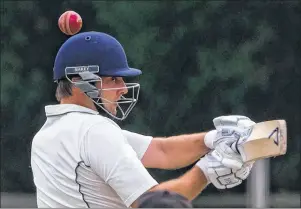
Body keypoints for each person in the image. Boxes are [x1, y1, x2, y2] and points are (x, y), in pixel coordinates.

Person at [30, 31, 254, 208]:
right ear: (79, 80)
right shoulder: (94, 131)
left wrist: (213, 139)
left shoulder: (46, 136)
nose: (122, 90)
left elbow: (161, 151)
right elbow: (154, 206)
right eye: (113, 79)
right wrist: (206, 171)